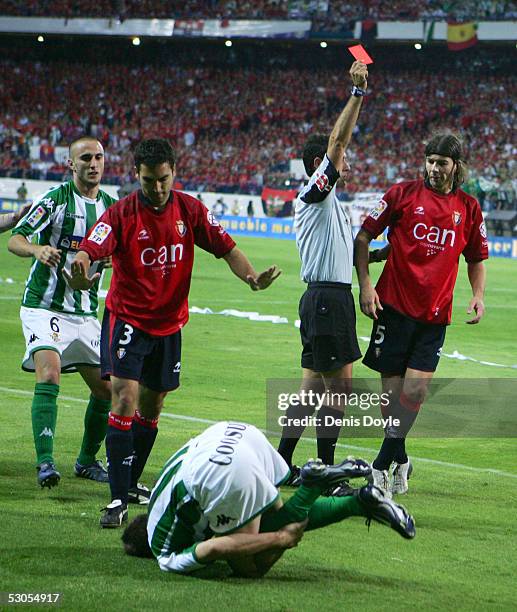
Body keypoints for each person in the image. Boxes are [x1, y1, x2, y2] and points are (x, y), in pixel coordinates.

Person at [65, 138, 282, 527]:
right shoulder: (121, 214)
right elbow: (89, 249)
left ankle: (130, 483)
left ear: (174, 172)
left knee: (153, 405)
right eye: (149, 181)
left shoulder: (190, 209)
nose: (158, 188)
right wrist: (81, 267)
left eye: (163, 179)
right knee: (124, 398)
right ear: (137, 175)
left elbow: (227, 248)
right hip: (128, 320)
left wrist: (251, 277)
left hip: (169, 325)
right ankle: (116, 501)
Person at [354, 133, 488, 497]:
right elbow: (363, 237)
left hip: (434, 315)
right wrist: (366, 286)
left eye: (441, 163)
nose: (433, 168)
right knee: (390, 396)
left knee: (415, 390)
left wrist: (478, 295)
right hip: (393, 308)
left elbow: (475, 257)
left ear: (456, 167)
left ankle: (380, 465)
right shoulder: (402, 194)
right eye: (429, 160)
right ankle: (401, 456)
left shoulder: (469, 208)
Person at [276, 61, 387, 488]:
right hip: (327, 300)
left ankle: (282, 463)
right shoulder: (316, 194)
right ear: (321, 165)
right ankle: (324, 469)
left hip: (324, 297)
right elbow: (338, 141)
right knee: (338, 391)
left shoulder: (328, 204)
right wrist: (357, 95)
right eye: (337, 160)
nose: (346, 161)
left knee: (309, 393)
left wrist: (378, 255)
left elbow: (337, 253)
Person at [121, 421, 415, 576]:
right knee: (270, 520)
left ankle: (314, 488)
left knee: (248, 565)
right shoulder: (161, 500)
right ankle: (359, 500)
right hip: (234, 435)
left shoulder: (165, 552)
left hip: (223, 471)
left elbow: (213, 548)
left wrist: (279, 541)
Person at [7, 137, 116, 488]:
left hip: (85, 313)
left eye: (99, 157)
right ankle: (45, 463)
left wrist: (115, 261)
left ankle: (86, 462)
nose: (94, 163)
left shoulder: (112, 209)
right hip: (43, 305)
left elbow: (122, 253)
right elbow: (15, 238)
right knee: (50, 374)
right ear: (71, 164)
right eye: (86, 158)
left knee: (107, 390)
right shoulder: (55, 200)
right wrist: (37, 249)